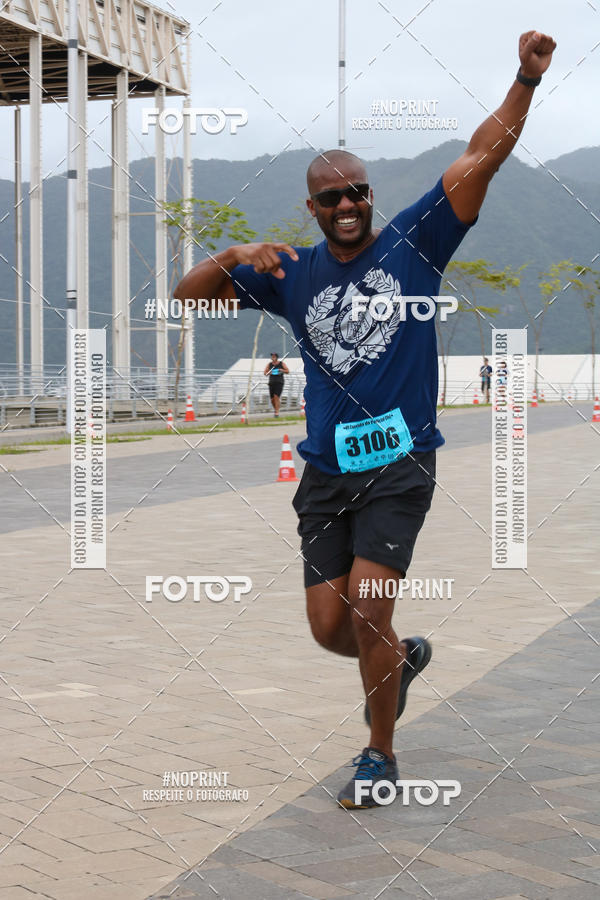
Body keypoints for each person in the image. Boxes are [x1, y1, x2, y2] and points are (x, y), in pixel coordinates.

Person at [174, 30, 556, 809]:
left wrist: (524, 78)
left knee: (370, 609)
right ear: (310, 208)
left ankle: (379, 754)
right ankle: (398, 661)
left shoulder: (417, 241)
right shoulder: (291, 273)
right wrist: (235, 253)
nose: (347, 206)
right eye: (331, 198)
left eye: (357, 193)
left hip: (398, 465)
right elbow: (187, 299)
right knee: (330, 629)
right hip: (324, 471)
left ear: (370, 195)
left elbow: (482, 155)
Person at [264, 352, 289, 416]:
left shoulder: (281, 363)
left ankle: (277, 412)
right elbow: (265, 373)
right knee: (272, 399)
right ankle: (276, 409)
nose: (273, 357)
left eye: (274, 356)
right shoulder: (269, 364)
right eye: (272, 356)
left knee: (276, 397)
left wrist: (281, 370)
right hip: (271, 382)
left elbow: (287, 371)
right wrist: (270, 372)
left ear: (277, 357)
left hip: (279, 382)